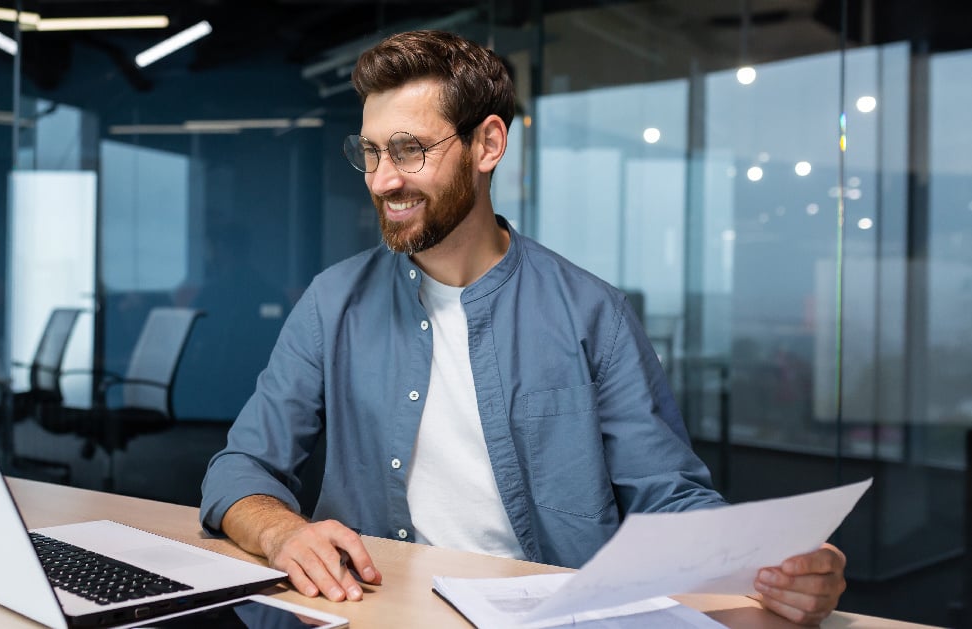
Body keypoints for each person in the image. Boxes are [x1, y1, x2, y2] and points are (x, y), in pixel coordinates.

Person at [200, 29, 847, 625]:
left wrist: (777, 563)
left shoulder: (591, 311)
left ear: (487, 144)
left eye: (408, 150)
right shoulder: (331, 301)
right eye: (369, 152)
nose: (382, 180)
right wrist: (283, 530)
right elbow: (240, 468)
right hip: (380, 608)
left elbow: (666, 495)